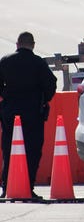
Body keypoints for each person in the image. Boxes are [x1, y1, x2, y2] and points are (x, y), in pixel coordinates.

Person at [0, 32, 57, 198]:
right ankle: (27, 187)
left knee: (9, 149)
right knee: (32, 150)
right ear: (33, 45)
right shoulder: (38, 63)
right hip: (33, 113)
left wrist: (6, 97)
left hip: (10, 113)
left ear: (17, 44)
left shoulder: (5, 61)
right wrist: (42, 99)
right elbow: (50, 85)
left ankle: (7, 188)